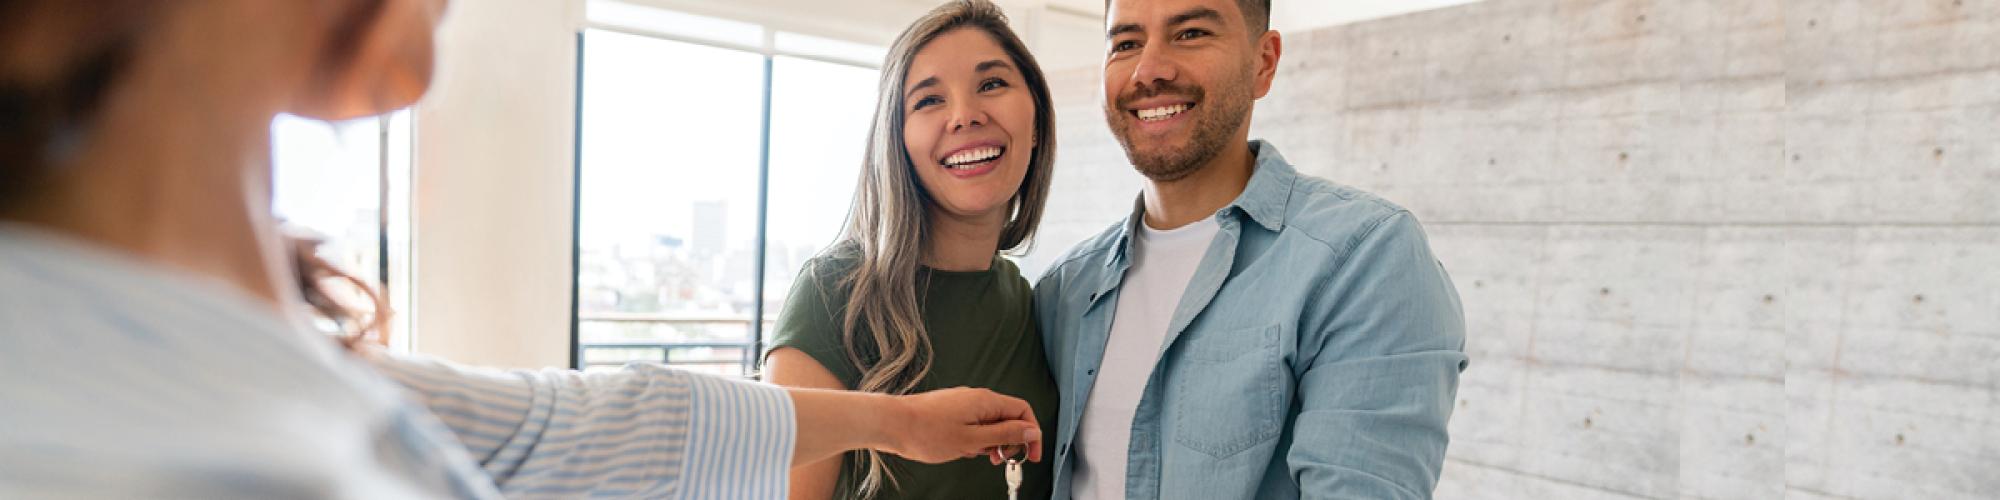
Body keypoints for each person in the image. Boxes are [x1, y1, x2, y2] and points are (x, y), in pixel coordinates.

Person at [0, 0, 1041, 498]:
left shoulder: (242, 353)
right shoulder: (95, 451)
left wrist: (900, 422)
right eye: (931, 95)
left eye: (994, 83)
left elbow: (583, 424)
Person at [1032, 0, 1470, 498]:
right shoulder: (1065, 287)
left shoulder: (1365, 257)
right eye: (1126, 43)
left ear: (1264, 62)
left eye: (1191, 33)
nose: (1148, 70)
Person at [761, 1, 1059, 499]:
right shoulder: (834, 291)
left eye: (992, 84)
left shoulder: (1033, 303)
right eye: (927, 101)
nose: (965, 116)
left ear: (1037, 121)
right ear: (897, 141)